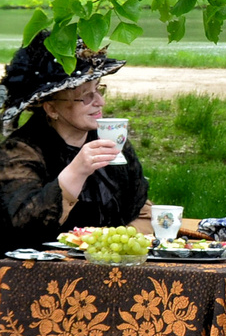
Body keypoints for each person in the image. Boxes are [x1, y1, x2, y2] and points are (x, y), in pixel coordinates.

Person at [0, 31, 149, 249]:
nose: (100, 102)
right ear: (51, 108)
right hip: (39, 274)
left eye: (98, 90)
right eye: (86, 96)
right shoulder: (20, 152)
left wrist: (113, 245)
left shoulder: (111, 142)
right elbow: (22, 227)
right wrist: (77, 171)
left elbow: (139, 208)